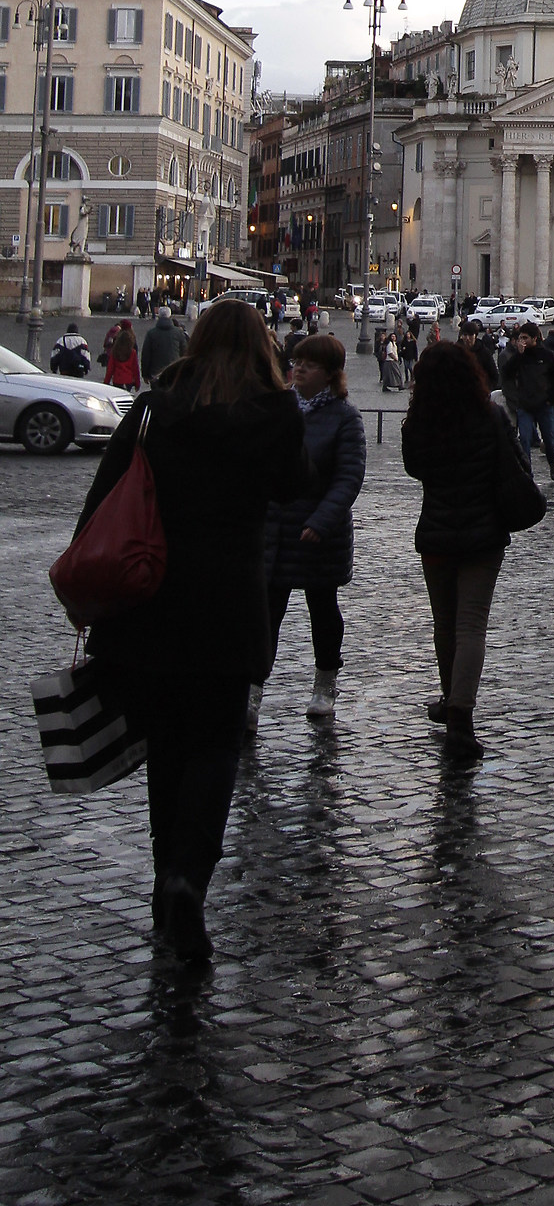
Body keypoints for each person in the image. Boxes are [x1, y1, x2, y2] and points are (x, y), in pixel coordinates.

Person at [70, 299, 308, 962]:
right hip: (228, 605)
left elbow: (103, 498)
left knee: (167, 749)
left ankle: (163, 884)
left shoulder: (153, 408)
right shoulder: (274, 413)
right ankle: (186, 882)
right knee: (215, 747)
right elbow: (294, 487)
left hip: (149, 602)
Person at [402, 340, 543, 764]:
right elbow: (515, 460)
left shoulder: (420, 421)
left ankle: (451, 700)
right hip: (484, 533)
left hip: (438, 533)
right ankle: (461, 715)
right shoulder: (491, 415)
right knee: (471, 626)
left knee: (444, 624)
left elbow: (414, 468)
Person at [257, 333, 367, 730]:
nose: (298, 368)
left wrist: (321, 521)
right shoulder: (280, 407)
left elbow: (349, 476)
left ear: (330, 374)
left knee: (322, 609)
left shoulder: (345, 417)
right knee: (266, 615)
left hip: (319, 533)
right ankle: (252, 693)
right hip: (276, 530)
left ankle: (325, 684)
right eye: (297, 362)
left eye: (309, 364)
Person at [499, 321, 554, 477]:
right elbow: (506, 373)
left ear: (534, 338)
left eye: (525, 338)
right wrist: (518, 356)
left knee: (549, 439)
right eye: (520, 338)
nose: (522, 341)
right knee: (525, 440)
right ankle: (526, 470)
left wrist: (551, 400)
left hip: (544, 404)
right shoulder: (520, 356)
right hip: (525, 405)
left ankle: (553, 463)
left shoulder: (548, 356)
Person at [140, 301, 185, 385]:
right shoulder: (179, 333)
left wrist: (145, 374)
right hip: (174, 373)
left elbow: (146, 355)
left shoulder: (151, 333)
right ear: (170, 316)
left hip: (155, 374)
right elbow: (184, 353)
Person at [102, 319, 141, 393]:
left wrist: (106, 382)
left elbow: (110, 368)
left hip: (117, 379)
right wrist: (137, 383)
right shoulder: (132, 352)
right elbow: (135, 368)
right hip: (129, 379)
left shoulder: (114, 351)